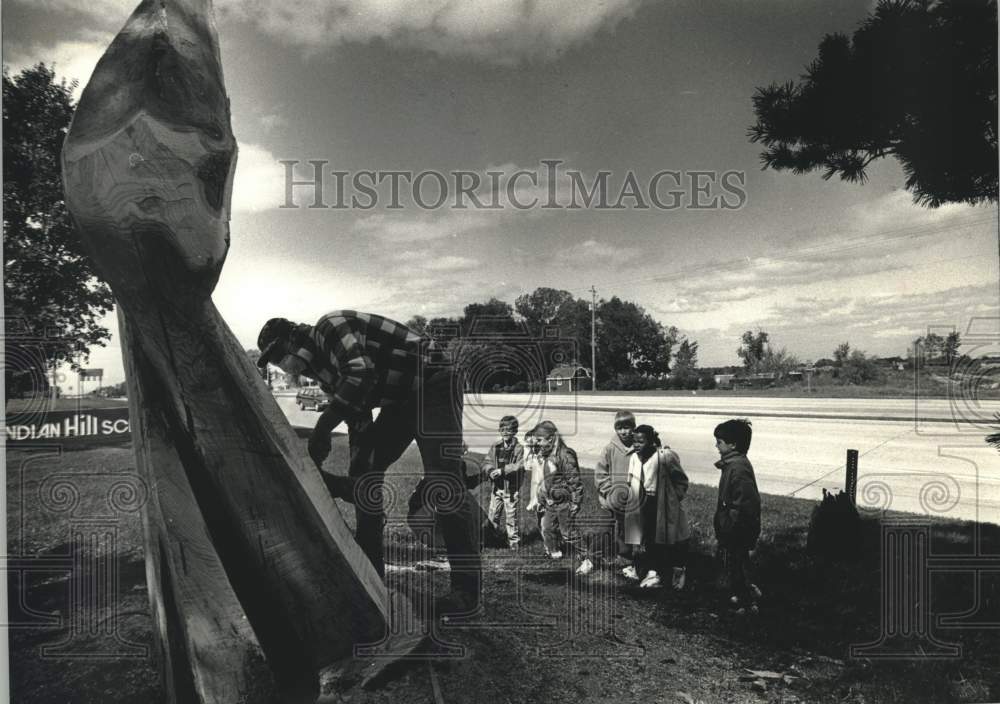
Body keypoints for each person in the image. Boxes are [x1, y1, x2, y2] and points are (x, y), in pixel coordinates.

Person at [255, 311, 480, 608]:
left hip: (434, 381)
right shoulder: (323, 373)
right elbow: (357, 419)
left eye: (279, 356)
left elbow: (360, 374)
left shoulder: (330, 327)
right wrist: (356, 477)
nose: (282, 365)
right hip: (401, 399)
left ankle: (466, 592)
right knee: (366, 473)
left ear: (293, 340)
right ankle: (371, 575)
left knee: (444, 482)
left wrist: (322, 428)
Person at [620, 424, 690, 589]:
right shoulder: (634, 458)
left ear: (651, 442)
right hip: (641, 503)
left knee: (664, 539)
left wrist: (673, 499)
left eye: (641, 441)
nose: (636, 445)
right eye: (634, 441)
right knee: (643, 538)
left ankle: (662, 573)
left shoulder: (665, 457)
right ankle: (644, 570)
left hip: (660, 504)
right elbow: (630, 480)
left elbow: (681, 480)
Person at [713, 418, 762, 614]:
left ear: (733, 444)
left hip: (738, 529)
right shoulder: (732, 464)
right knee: (735, 564)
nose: (716, 446)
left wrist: (730, 526)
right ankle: (742, 593)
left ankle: (748, 604)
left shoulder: (738, 468)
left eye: (719, 442)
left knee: (738, 566)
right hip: (733, 527)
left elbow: (745, 503)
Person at [533, 421, 584, 568]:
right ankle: (555, 554)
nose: (537, 443)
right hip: (551, 502)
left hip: (564, 503)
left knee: (568, 532)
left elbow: (574, 481)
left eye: (539, 440)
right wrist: (544, 498)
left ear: (550, 439)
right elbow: (547, 480)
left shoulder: (565, 455)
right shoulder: (547, 454)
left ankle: (587, 557)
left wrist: (575, 502)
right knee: (547, 528)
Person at [594, 410, 638, 564]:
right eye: (620, 428)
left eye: (627, 427)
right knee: (605, 528)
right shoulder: (610, 448)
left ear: (634, 427)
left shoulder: (639, 447)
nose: (624, 432)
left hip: (631, 498)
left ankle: (625, 559)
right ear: (615, 429)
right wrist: (608, 490)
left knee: (627, 530)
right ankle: (599, 556)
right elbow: (600, 473)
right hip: (610, 498)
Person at [481, 416, 525, 550]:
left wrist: (502, 471)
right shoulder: (496, 446)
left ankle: (513, 542)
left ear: (515, 432)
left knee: (511, 517)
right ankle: (491, 539)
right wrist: (490, 471)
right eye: (503, 429)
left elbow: (519, 465)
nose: (505, 432)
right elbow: (487, 461)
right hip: (497, 488)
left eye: (509, 430)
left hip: (510, 489)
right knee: (493, 515)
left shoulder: (518, 448)